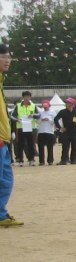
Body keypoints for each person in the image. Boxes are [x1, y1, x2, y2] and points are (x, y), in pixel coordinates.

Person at [0, 46, 23, 227]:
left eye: (9, 57)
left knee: (6, 180)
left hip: (4, 141)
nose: (8, 60)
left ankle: (1, 214)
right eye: (3, 56)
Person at [55, 98, 76, 165]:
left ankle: (73, 160)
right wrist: (60, 127)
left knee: (74, 146)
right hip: (66, 131)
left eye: (69, 103)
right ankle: (64, 160)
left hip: (74, 131)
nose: (67, 104)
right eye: (67, 103)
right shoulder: (63, 112)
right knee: (65, 147)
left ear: (72, 104)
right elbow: (56, 119)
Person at [14, 92, 38, 166]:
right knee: (20, 144)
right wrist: (17, 119)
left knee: (31, 144)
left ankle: (31, 159)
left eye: (28, 96)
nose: (27, 98)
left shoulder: (33, 106)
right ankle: (20, 160)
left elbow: (38, 115)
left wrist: (33, 115)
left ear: (30, 97)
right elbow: (12, 115)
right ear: (23, 97)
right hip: (20, 127)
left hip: (30, 127)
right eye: (25, 96)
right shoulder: (18, 106)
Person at [36, 101, 57, 165]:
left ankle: (50, 160)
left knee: (50, 147)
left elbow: (55, 121)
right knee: (41, 147)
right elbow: (37, 122)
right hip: (41, 131)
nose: (45, 108)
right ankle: (41, 161)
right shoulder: (40, 113)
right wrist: (41, 120)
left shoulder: (52, 112)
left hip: (49, 131)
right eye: (44, 107)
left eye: (46, 106)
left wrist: (49, 120)